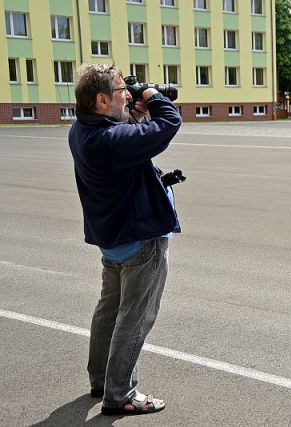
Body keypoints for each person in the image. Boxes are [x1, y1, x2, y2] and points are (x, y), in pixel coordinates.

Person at [68, 64, 182, 415]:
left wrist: (132, 113)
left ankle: (101, 380)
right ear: (102, 100)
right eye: (122, 92)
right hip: (139, 243)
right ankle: (121, 395)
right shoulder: (111, 141)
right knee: (135, 318)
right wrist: (153, 96)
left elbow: (130, 139)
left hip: (113, 240)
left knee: (109, 312)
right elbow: (168, 124)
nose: (128, 95)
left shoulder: (82, 130)